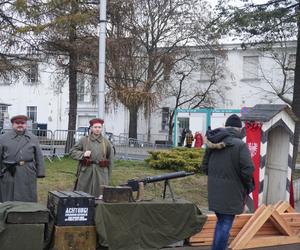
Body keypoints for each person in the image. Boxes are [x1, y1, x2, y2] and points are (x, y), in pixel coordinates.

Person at [201, 114, 254, 250]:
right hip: (232, 193)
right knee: (225, 224)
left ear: (226, 127)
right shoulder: (240, 145)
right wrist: (248, 186)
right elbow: (248, 170)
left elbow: (204, 167)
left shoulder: (213, 142)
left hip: (215, 191)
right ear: (238, 129)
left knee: (221, 222)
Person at [0, 115, 45, 202]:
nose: (20, 125)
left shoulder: (33, 138)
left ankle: (26, 212)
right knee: (7, 196)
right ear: (12, 124)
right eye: (17, 123)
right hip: (8, 171)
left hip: (27, 171)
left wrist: (40, 172)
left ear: (26, 124)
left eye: (23, 123)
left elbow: (39, 156)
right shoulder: (3, 138)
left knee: (27, 196)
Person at [70, 118, 113, 198]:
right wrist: (83, 154)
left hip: (101, 173)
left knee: (100, 195)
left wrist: (107, 176)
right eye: (95, 127)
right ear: (91, 128)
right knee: (82, 195)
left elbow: (111, 160)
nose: (97, 129)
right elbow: (72, 152)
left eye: (99, 127)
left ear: (102, 128)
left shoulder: (106, 142)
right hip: (86, 171)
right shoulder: (84, 140)